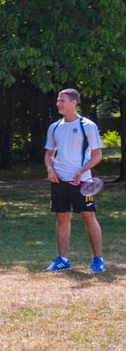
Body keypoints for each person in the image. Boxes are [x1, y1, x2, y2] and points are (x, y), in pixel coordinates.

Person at [44, 89, 105, 272]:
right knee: (61, 217)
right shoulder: (54, 127)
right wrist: (50, 169)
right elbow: (48, 155)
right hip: (59, 181)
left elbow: (97, 156)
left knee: (88, 216)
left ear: (73, 103)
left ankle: (98, 260)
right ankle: (62, 260)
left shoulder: (88, 126)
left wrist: (81, 171)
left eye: (62, 101)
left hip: (83, 181)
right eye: (57, 101)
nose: (58, 104)